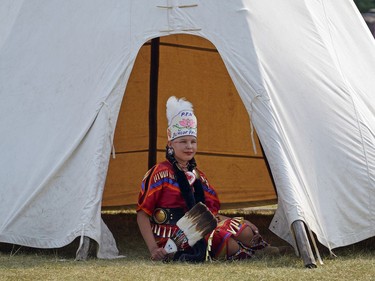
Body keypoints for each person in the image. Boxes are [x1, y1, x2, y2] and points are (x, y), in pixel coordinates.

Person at [137, 96, 282, 262]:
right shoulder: (159, 173)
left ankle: (264, 250)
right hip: (173, 237)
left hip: (201, 225)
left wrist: (235, 222)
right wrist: (154, 248)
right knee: (226, 242)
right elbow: (142, 214)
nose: (189, 146)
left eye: (193, 141)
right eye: (183, 141)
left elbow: (209, 212)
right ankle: (247, 253)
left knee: (245, 229)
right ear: (171, 144)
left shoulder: (197, 175)